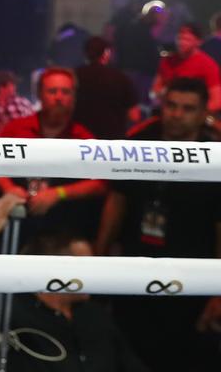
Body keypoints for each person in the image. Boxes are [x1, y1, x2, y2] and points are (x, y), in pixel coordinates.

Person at [95, 76, 221, 372]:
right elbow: (117, 201)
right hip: (135, 267)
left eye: (187, 108)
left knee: (185, 357)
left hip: (192, 276)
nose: (176, 114)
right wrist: (98, 262)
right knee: (129, 352)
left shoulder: (215, 156)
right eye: (171, 105)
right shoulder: (139, 143)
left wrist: (218, 290)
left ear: (203, 114)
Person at [0, 194, 150, 372]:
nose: (95, 274)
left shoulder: (95, 316)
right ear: (56, 272)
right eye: (86, 266)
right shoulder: (13, 312)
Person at [0, 68, 106, 237]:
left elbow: (99, 183)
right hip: (13, 223)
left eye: (65, 92)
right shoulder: (17, 129)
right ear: (40, 94)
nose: (59, 97)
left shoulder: (83, 138)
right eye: (52, 91)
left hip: (63, 229)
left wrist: (58, 193)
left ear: (73, 97)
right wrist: (9, 188)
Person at [73, 36, 139, 140]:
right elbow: (134, 116)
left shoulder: (73, 76)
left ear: (85, 53)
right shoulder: (120, 78)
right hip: (113, 143)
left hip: (78, 142)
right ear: (106, 53)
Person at [150, 23, 221, 112]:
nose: (182, 43)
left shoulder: (208, 65)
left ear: (198, 42)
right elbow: (155, 89)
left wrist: (195, 113)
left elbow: (217, 101)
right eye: (180, 38)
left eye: (187, 39)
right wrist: (158, 96)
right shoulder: (167, 61)